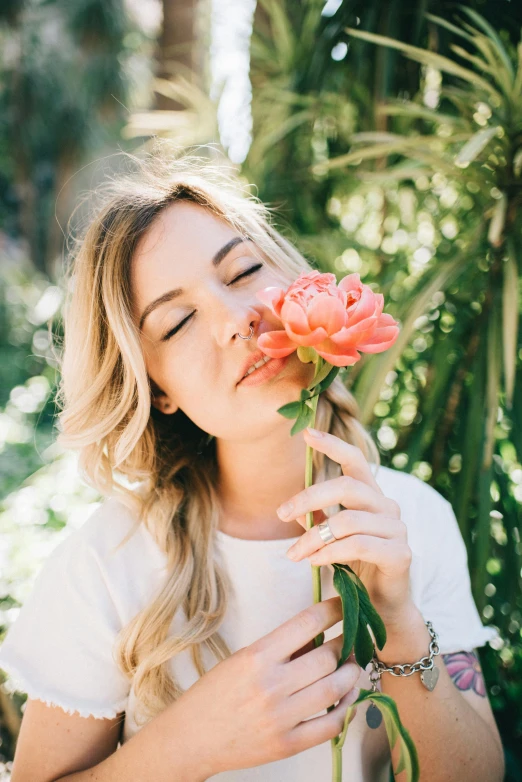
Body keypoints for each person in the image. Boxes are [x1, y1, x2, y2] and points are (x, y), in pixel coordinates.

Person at [0, 145, 504, 782]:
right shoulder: (108, 565)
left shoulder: (413, 523)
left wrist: (401, 627)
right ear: (155, 388)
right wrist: (188, 744)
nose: (238, 320)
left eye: (241, 273)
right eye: (179, 321)